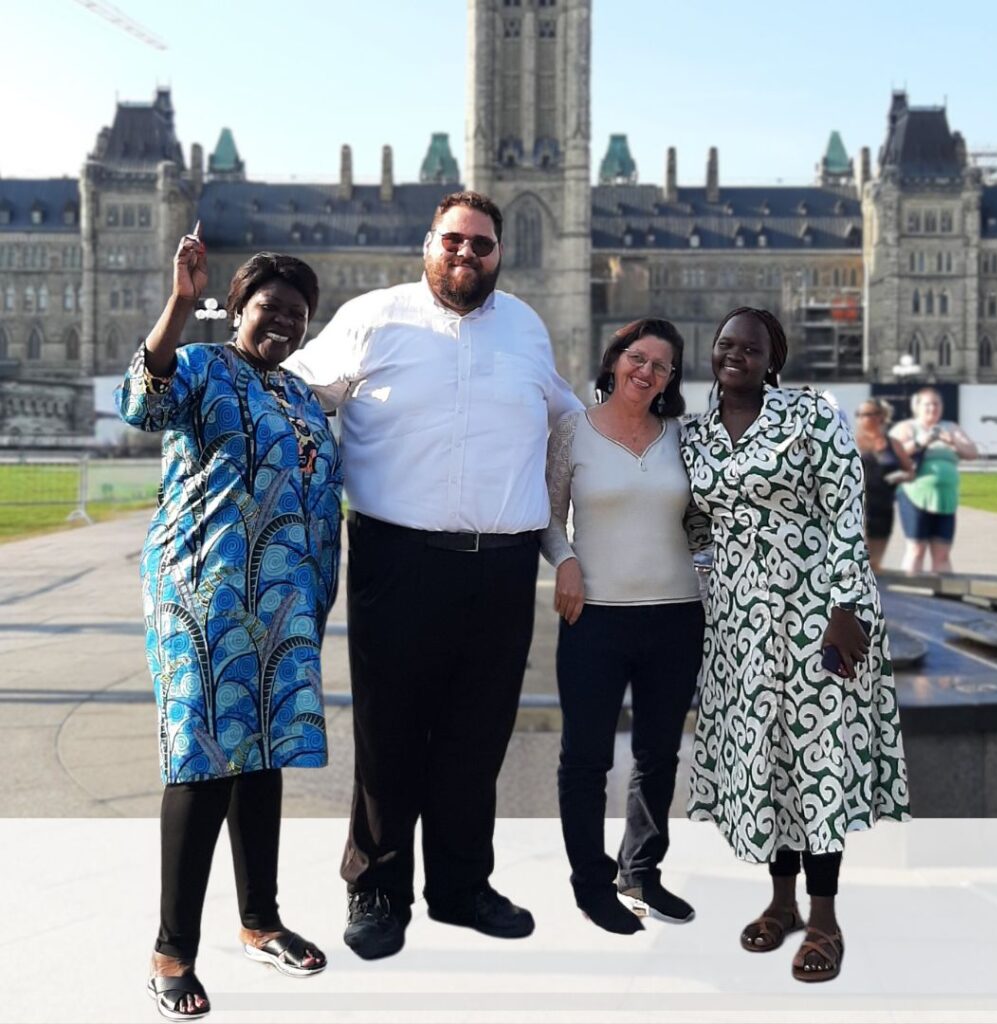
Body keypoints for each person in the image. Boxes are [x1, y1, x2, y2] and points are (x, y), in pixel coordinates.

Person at [285, 190, 581, 960]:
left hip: (504, 569)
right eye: (454, 241)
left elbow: (569, 422)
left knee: (475, 738)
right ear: (429, 244)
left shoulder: (525, 326)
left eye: (481, 245)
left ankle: (459, 885)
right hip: (398, 559)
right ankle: (378, 889)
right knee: (389, 736)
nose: (467, 255)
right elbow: (291, 395)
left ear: (499, 254)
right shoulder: (374, 316)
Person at [119, 228, 342, 1020]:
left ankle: (260, 922)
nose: (282, 323)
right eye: (268, 308)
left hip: (283, 604)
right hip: (202, 592)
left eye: (297, 313)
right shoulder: (205, 365)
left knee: (263, 761)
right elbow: (142, 400)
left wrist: (317, 595)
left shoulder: (299, 397)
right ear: (238, 310)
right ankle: (171, 953)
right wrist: (179, 305)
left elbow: (319, 501)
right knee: (203, 761)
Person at [680, 307, 910, 983]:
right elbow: (696, 524)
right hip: (741, 627)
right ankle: (779, 903)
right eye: (725, 345)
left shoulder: (811, 414)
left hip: (817, 613)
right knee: (769, 761)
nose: (734, 355)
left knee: (816, 759)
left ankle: (826, 918)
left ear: (771, 358)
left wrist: (846, 607)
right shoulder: (695, 437)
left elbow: (846, 510)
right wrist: (709, 588)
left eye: (749, 348)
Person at [541, 318, 704, 934]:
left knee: (658, 755)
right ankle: (591, 883)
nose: (647, 371)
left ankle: (641, 871)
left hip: (676, 617)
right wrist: (567, 562)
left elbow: (705, 521)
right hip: (595, 618)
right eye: (639, 358)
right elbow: (549, 517)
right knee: (584, 759)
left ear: (669, 379)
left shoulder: (684, 437)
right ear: (614, 362)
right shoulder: (572, 431)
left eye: (661, 366)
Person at [889, 387, 978, 573]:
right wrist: (920, 442)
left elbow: (972, 452)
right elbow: (891, 454)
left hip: (946, 499)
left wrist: (952, 441)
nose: (932, 408)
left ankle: (944, 598)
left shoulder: (951, 428)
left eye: (936, 404)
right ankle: (912, 597)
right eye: (927, 404)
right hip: (914, 495)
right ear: (917, 407)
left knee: (943, 553)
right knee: (916, 549)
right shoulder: (907, 427)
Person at [854, 398, 915, 572]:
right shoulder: (851, 441)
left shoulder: (893, 444)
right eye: (863, 415)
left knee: (878, 550)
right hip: (858, 502)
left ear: (881, 416)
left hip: (884, 502)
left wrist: (901, 476)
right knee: (859, 549)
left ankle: (876, 577)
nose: (868, 418)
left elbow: (910, 471)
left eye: (872, 414)